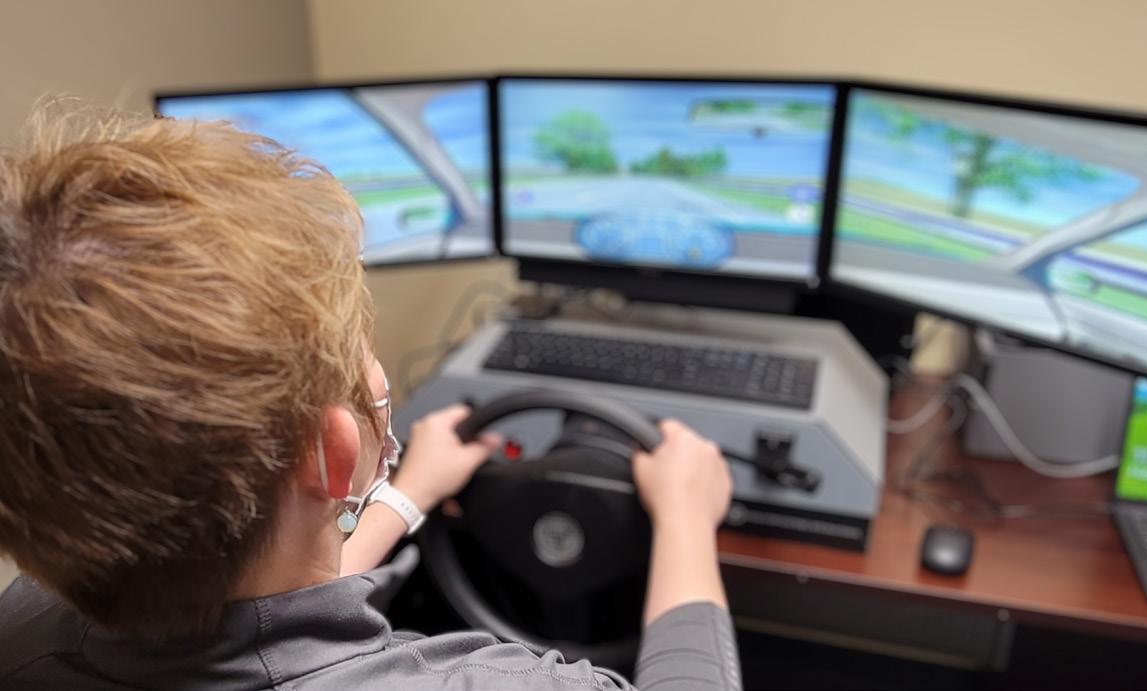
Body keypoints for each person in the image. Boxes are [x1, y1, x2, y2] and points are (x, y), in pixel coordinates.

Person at [0, 100, 740, 690]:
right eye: (366, 365)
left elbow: (248, 623)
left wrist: (408, 495)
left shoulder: (24, 624)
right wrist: (685, 518)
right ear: (333, 448)